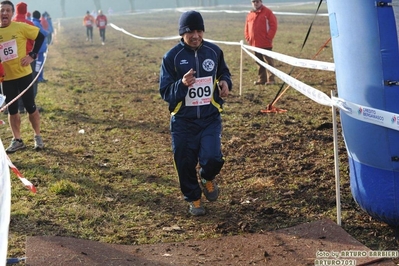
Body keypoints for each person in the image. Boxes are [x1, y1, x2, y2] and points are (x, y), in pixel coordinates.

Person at [159, 10, 232, 216]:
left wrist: (226, 83)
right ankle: (194, 198)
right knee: (184, 162)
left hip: (210, 118)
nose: (196, 36)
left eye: (199, 31)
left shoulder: (214, 52)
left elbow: (223, 73)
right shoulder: (172, 57)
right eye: (190, 31)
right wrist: (182, 84)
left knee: (213, 158)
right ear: (182, 33)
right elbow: (165, 92)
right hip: (183, 121)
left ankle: (207, 177)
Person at [0, 0, 46, 153]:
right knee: (12, 110)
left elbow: (40, 36)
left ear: (12, 13)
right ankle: (17, 139)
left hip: (24, 75)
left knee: (30, 107)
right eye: (2, 10)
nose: (4, 13)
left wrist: (32, 55)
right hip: (6, 78)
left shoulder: (20, 27)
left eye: (7, 10)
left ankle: (37, 136)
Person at [244, 0, 278, 85]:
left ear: (261, 2)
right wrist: (248, 38)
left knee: (268, 61)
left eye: (257, 1)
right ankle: (262, 79)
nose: (255, 3)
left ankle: (271, 80)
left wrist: (269, 37)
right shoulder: (250, 14)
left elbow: (273, 25)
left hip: (265, 43)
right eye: (253, 1)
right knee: (258, 62)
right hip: (254, 43)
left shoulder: (268, 12)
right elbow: (247, 27)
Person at [11, 1, 34, 114]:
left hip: (12, 58)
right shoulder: (29, 24)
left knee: (13, 83)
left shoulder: (10, 23)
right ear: (25, 11)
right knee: (28, 83)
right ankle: (27, 105)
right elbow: (34, 39)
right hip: (27, 57)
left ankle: (12, 106)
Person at [32, 10, 48, 84]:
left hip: (37, 48)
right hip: (39, 48)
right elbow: (43, 33)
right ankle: (39, 78)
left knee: (37, 63)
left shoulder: (33, 22)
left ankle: (38, 77)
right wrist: (47, 32)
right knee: (39, 63)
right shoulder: (37, 24)